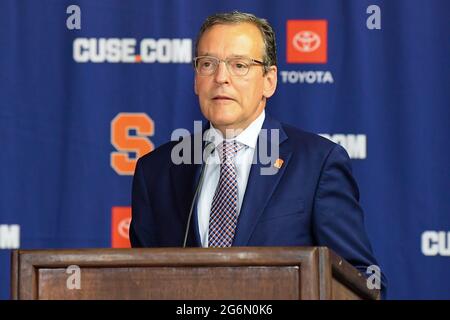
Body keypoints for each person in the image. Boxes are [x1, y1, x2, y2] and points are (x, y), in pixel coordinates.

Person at [130, 11, 386, 292]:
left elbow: (361, 281)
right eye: (207, 64)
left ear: (269, 80)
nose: (221, 77)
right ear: (195, 79)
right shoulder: (155, 171)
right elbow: (143, 281)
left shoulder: (317, 164)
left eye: (239, 65)